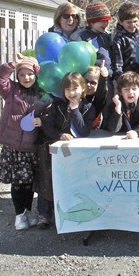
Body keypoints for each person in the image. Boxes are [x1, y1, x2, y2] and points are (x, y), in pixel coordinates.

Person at [0, 54, 46, 230]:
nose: (26, 78)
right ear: (17, 76)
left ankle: (27, 211)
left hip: (31, 147)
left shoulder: (42, 94)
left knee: (30, 182)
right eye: (22, 74)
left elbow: (49, 113)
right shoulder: (11, 90)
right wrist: (12, 64)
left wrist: (42, 121)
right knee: (19, 182)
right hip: (14, 147)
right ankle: (19, 215)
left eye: (30, 74)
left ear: (36, 74)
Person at [37, 72, 95, 229]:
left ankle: (71, 211)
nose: (72, 93)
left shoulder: (88, 107)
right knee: (47, 179)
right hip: (55, 148)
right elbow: (47, 126)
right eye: (68, 89)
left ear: (83, 89)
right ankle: (44, 214)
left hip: (77, 152)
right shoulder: (57, 106)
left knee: (72, 180)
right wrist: (60, 134)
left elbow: (84, 131)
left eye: (75, 88)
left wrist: (75, 111)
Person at [71, 1, 114, 98]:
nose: (106, 23)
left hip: (106, 77)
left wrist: (111, 72)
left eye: (107, 21)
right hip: (90, 80)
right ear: (92, 21)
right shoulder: (82, 36)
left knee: (107, 103)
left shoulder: (106, 37)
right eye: (102, 21)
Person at [110, 1, 139, 80]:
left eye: (135, 21)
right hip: (129, 77)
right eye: (128, 22)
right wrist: (120, 80)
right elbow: (118, 63)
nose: (132, 25)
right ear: (121, 22)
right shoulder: (120, 39)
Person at [104, 71, 139, 138]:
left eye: (134, 89)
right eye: (126, 89)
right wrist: (118, 108)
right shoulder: (114, 105)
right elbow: (113, 129)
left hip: (132, 139)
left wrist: (136, 132)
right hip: (113, 138)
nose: (130, 92)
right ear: (120, 92)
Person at [83, 61, 109, 129]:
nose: (88, 85)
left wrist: (103, 79)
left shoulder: (98, 100)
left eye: (93, 83)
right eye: (86, 81)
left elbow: (101, 95)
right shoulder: (76, 96)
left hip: (93, 131)